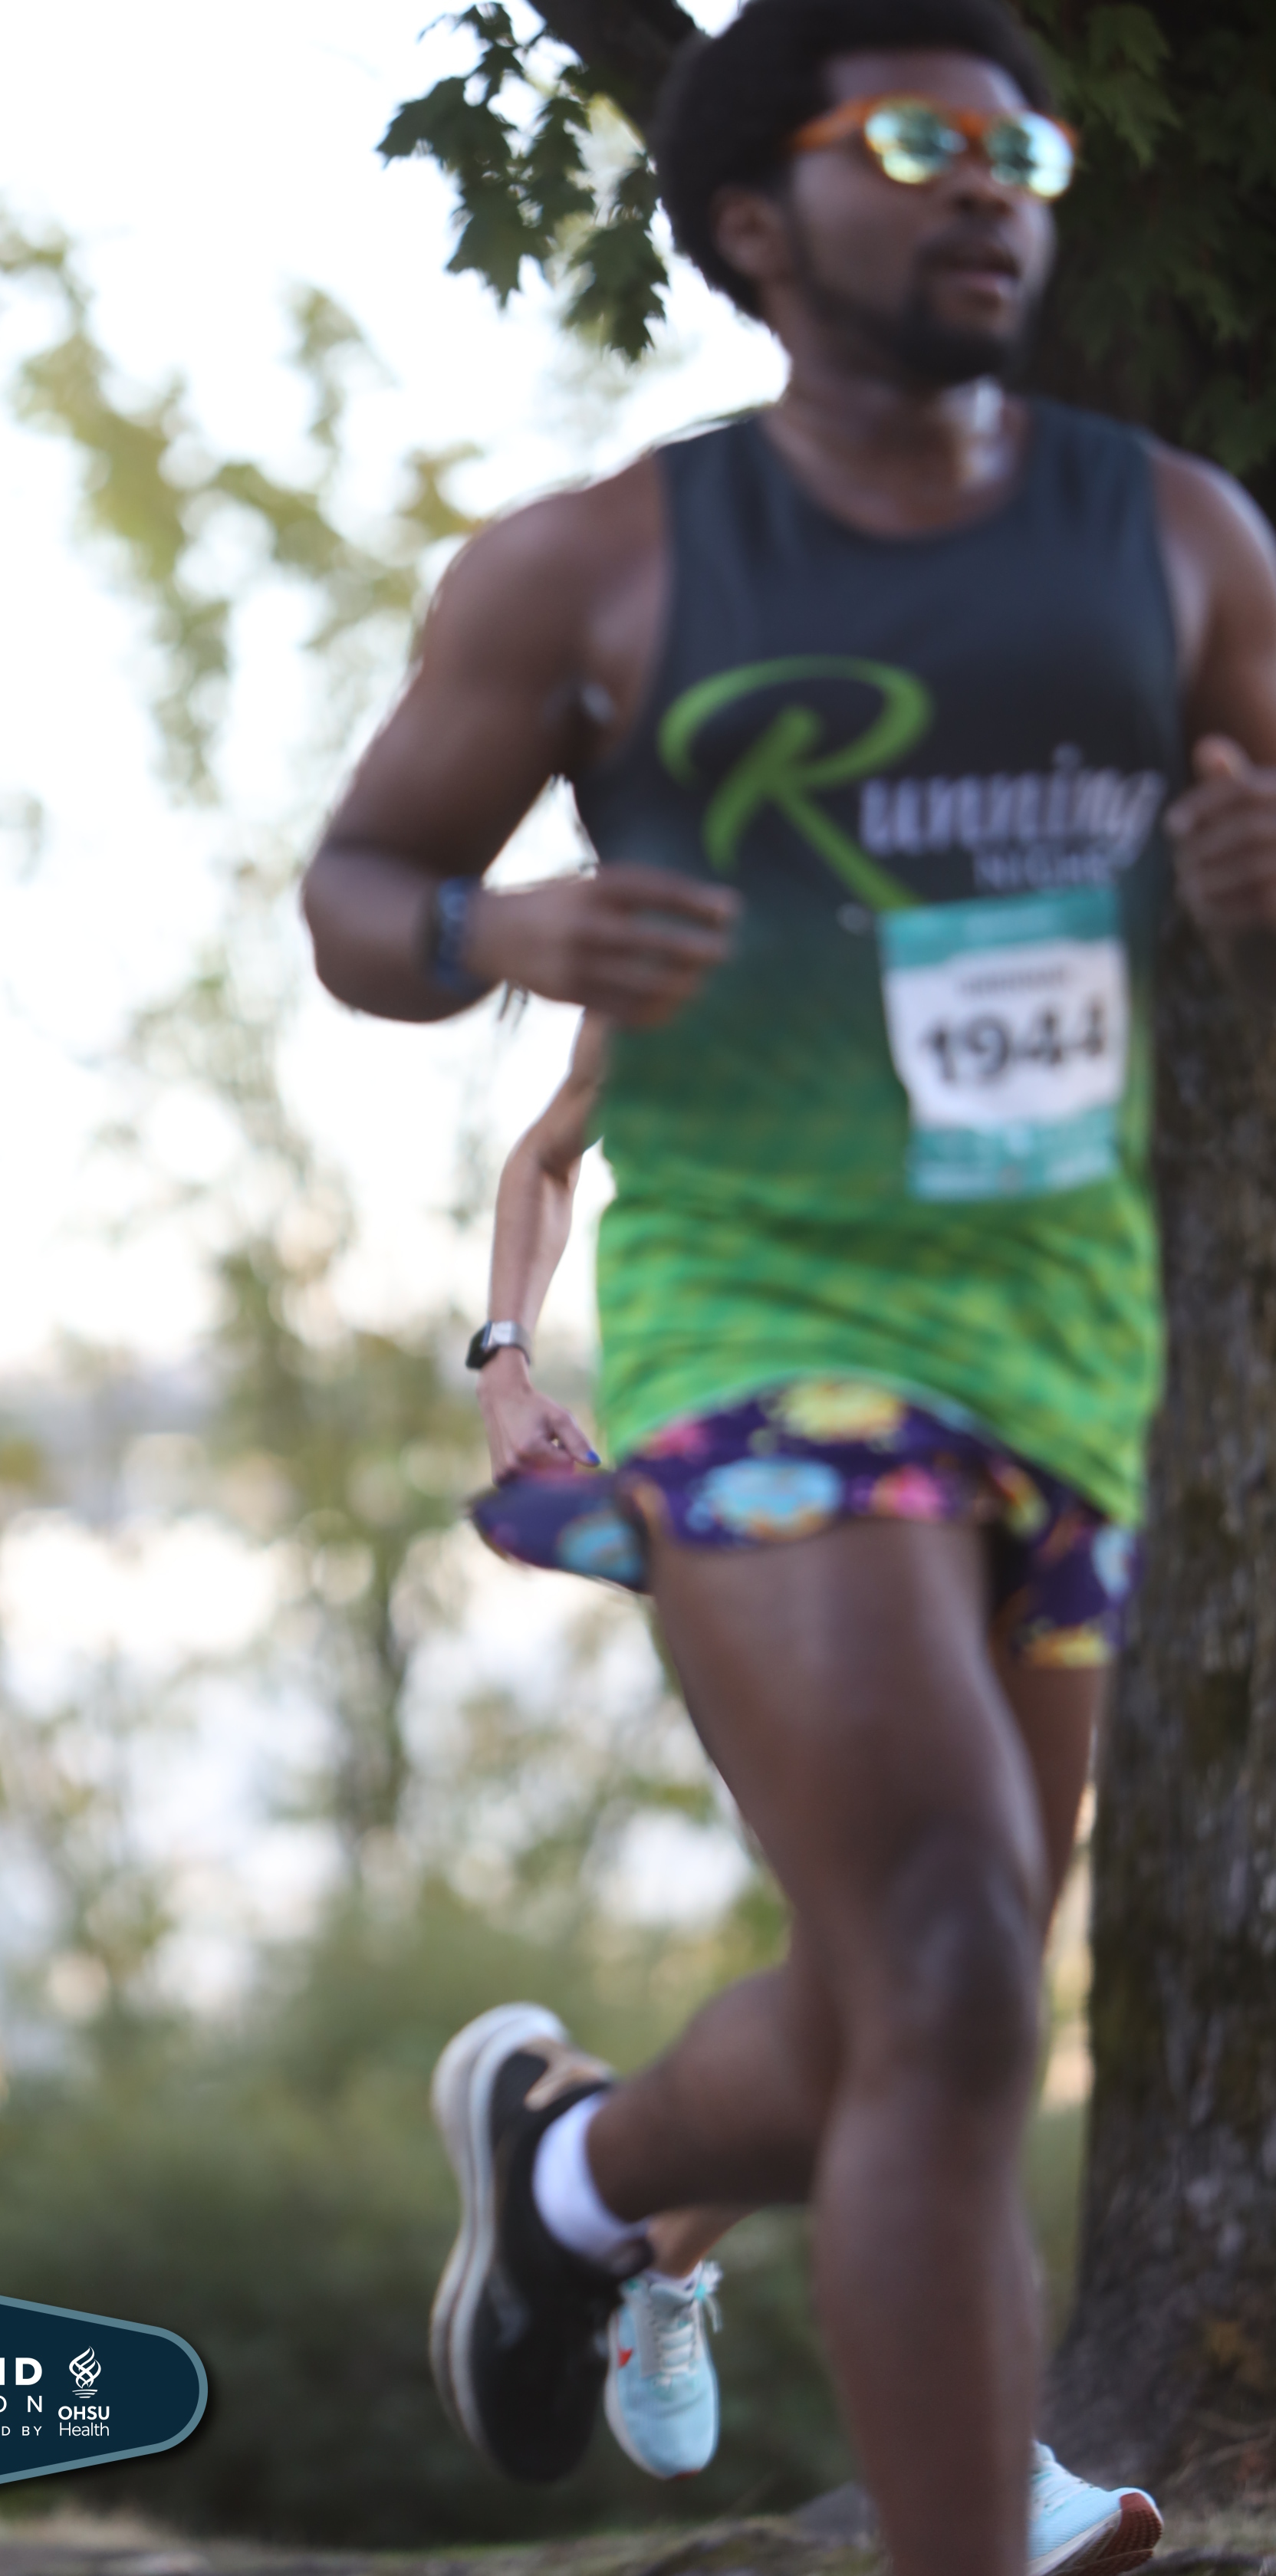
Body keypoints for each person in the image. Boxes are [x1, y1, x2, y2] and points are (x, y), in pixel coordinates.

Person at [300, 0, 1276, 2564]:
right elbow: (363, 894)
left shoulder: (1182, 543)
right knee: (941, 1962)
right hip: (757, 1339)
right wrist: (496, 926)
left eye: (1029, 144)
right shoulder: (602, 570)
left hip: (1056, 1347)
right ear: (756, 219)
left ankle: (581, 2176)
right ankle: (996, 2517)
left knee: (917, 1997)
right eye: (924, 137)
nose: (996, 183)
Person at [465, 1009, 1159, 2562]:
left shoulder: (994, 902)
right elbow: (552, 1146)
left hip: (1006, 1448)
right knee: (935, 1981)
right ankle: (993, 2475)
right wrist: (503, 1357)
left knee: (926, 1979)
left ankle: (609, 2207)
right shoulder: (681, 932)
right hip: (765, 1471)